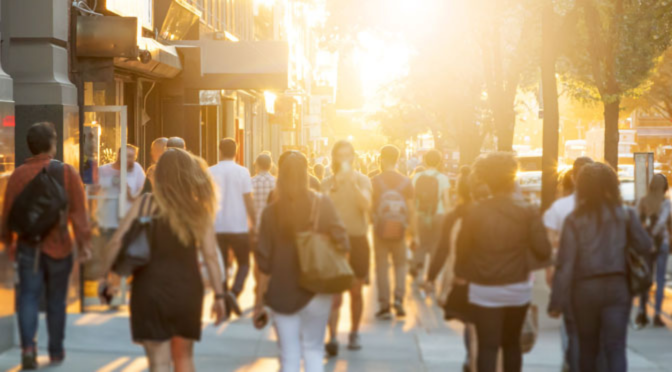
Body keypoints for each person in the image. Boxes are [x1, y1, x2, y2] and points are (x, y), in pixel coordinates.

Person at [103, 148, 227, 372]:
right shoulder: (198, 208)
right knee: (184, 357)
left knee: (158, 362)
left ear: (159, 175)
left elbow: (117, 242)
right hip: (187, 290)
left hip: (149, 290)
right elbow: (210, 256)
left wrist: (109, 278)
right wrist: (219, 295)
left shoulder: (145, 203)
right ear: (189, 174)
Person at [1, 122, 92, 369]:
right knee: (56, 300)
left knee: (28, 297)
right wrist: (85, 243)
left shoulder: (18, 175)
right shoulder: (66, 172)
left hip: (29, 245)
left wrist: (8, 241)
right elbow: (79, 212)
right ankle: (55, 350)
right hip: (60, 244)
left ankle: (28, 349)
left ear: (29, 145)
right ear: (53, 144)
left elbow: (8, 212)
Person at [549, 163, 652, 372]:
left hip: (584, 290)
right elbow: (645, 246)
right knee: (615, 348)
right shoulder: (625, 215)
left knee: (588, 348)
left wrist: (556, 301)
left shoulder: (574, 220)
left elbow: (565, 264)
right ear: (613, 185)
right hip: (617, 288)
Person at [254, 151, 349, 372]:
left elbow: (264, 263)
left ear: (281, 176)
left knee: (289, 354)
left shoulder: (270, 213)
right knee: (314, 349)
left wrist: (259, 301)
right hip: (318, 289)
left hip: (282, 292)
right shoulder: (322, 204)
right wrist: (337, 290)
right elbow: (343, 242)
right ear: (306, 174)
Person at [456, 152, 552, 372]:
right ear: (512, 179)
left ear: (487, 181)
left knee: (487, 346)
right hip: (516, 287)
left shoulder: (475, 212)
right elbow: (543, 249)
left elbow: (462, 251)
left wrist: (461, 274)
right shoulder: (527, 211)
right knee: (511, 345)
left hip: (483, 288)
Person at [321, 140, 373, 355]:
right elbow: (322, 210)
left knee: (356, 291)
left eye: (348, 155)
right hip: (334, 242)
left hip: (358, 240)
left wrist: (352, 184)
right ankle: (332, 336)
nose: (344, 160)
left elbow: (367, 205)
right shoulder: (327, 182)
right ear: (334, 158)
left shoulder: (363, 180)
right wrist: (335, 187)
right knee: (334, 293)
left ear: (353, 157)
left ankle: (354, 332)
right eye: (340, 155)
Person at [543, 157, 593, 372]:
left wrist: (550, 269)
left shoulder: (560, 207)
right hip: (597, 273)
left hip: (568, 273)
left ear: (573, 177)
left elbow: (551, 243)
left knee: (569, 323)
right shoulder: (608, 207)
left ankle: (570, 360)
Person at [371, 145, 417, 319]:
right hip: (400, 229)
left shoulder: (375, 181)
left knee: (382, 267)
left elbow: (370, 206)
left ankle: (384, 305)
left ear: (382, 159)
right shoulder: (406, 182)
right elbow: (412, 210)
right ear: (397, 159)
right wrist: (413, 232)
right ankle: (398, 299)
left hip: (380, 230)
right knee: (400, 265)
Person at [209, 138, 256, 297]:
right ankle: (235, 292)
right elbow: (248, 200)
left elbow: (206, 200)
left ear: (219, 151)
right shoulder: (243, 172)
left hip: (218, 226)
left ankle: (221, 295)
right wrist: (255, 222)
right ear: (236, 152)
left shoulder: (210, 171)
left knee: (220, 265)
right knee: (244, 263)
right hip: (239, 226)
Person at [635, 173, 671, 328]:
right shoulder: (666, 203)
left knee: (646, 278)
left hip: (646, 245)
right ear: (664, 187)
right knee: (660, 279)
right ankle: (657, 314)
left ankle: (642, 311)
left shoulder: (643, 201)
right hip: (661, 244)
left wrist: (647, 238)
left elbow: (638, 222)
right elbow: (665, 222)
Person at [410, 149, 450, 278]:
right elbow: (446, 201)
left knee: (421, 243)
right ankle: (431, 276)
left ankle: (416, 267)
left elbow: (412, 198)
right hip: (438, 215)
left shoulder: (416, 177)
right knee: (434, 245)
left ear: (425, 160)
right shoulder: (442, 178)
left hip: (420, 214)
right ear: (439, 162)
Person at [97, 145, 146, 240]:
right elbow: (94, 193)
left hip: (129, 220)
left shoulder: (137, 169)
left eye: (131, 156)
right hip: (108, 221)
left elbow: (140, 192)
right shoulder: (103, 170)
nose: (128, 159)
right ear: (118, 155)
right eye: (125, 155)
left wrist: (129, 193)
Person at [251, 153, 276, 232]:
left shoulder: (251, 182)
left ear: (257, 165)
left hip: (256, 225)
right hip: (273, 226)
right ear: (271, 166)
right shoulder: (276, 182)